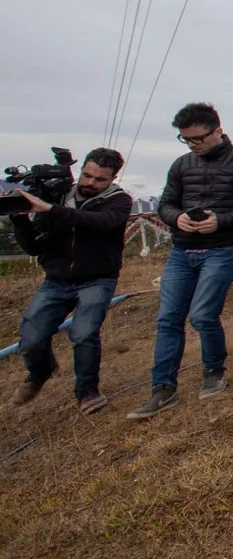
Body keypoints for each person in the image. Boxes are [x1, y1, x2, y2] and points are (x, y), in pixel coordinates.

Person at [127, 103, 233, 419]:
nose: (194, 144)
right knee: (168, 318)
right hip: (183, 250)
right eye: (187, 139)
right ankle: (163, 388)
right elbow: (166, 204)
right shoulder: (181, 165)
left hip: (224, 248)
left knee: (204, 314)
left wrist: (221, 220)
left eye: (199, 138)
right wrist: (177, 218)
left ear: (218, 131)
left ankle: (214, 369)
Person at [8, 148, 133, 414]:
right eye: (87, 176)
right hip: (56, 279)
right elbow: (33, 247)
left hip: (97, 279)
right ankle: (40, 372)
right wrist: (20, 219)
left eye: (100, 179)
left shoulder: (118, 201)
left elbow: (101, 222)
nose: (90, 183)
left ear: (113, 178)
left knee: (85, 333)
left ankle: (87, 391)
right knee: (32, 337)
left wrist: (51, 210)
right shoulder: (58, 196)